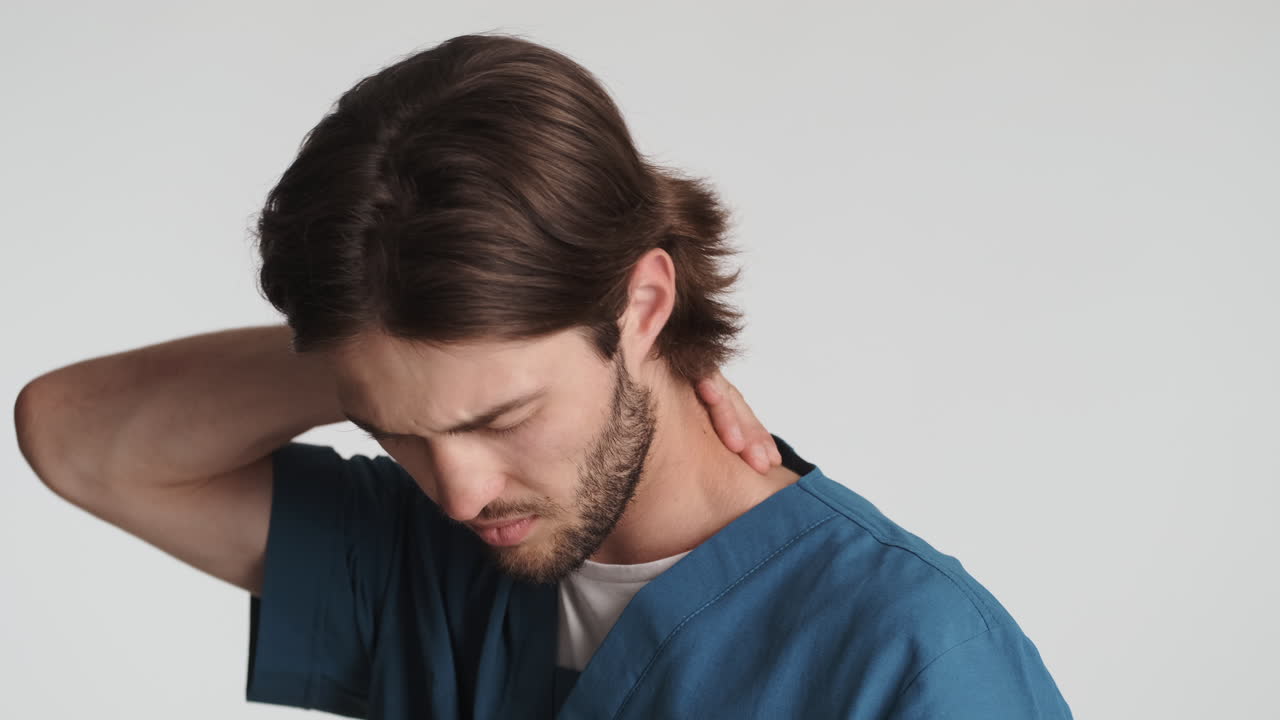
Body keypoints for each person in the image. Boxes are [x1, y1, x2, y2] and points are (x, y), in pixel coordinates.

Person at [15, 32, 1073, 719]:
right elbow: (76, 436)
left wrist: (395, 380)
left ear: (642, 306)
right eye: (394, 432)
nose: (461, 490)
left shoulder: (912, 657)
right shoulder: (429, 558)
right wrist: (361, 364)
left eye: (501, 414)